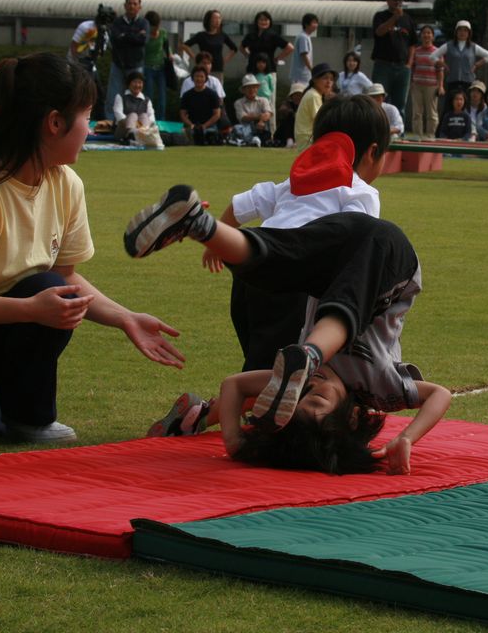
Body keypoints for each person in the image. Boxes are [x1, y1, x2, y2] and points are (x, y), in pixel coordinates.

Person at [0, 52, 184, 453]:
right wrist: (31, 310)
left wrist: (125, 319)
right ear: (54, 122)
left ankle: (26, 414)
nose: (91, 129)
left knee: (51, 285)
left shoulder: (66, 184)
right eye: (86, 117)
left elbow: (66, 277)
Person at [123, 194, 450, 475]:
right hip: (390, 256)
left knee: (274, 261)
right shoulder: (379, 387)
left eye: (299, 393)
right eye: (317, 396)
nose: (311, 385)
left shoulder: (289, 383)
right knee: (345, 308)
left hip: (337, 242)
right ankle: (312, 351)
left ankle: (200, 225)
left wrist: (236, 442)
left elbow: (234, 385)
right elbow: (440, 395)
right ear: (353, 416)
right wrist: (407, 437)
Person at [169, 94, 388, 378]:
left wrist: (218, 244)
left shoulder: (294, 183)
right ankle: (218, 410)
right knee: (279, 370)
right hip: (293, 281)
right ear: (373, 152)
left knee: (260, 355)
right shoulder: (361, 193)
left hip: (251, 271)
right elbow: (361, 251)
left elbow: (241, 205)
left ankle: (202, 226)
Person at [371, 0, 415, 118]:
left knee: (400, 103)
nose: (398, 2)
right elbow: (379, 32)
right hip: (383, 65)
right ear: (387, 0)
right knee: (377, 101)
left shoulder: (408, 19)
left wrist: (409, 64)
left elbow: (412, 43)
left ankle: (398, 133)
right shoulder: (380, 16)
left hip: (402, 67)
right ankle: (377, 129)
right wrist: (394, 18)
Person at [105, 0, 149, 119]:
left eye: (135, 4)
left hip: (136, 66)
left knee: (136, 96)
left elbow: (143, 40)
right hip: (118, 65)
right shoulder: (117, 22)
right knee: (113, 96)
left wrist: (125, 35)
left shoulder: (144, 23)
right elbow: (115, 39)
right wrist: (135, 35)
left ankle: (136, 123)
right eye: (129, 3)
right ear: (125, 6)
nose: (132, 6)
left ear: (139, 7)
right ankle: (110, 123)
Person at [433, 20, 488, 102]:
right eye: (460, 30)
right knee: (450, 104)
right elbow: (433, 56)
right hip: (452, 81)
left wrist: (476, 65)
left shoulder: (473, 46)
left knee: (467, 105)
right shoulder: (449, 45)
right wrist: (443, 64)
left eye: (465, 30)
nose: (462, 32)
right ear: (456, 32)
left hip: (468, 81)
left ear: (469, 33)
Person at [180, 9, 237, 82]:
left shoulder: (222, 35)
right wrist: (195, 58)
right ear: (209, 20)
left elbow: (234, 48)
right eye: (215, 18)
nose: (218, 21)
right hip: (203, 68)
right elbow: (184, 45)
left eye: (219, 18)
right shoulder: (201, 35)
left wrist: (225, 60)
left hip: (217, 67)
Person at [408, 24, 443, 140]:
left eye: (429, 33)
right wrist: (411, 83)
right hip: (417, 85)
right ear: (420, 35)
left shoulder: (438, 52)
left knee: (431, 113)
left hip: (432, 85)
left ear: (433, 36)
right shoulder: (416, 51)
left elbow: (440, 70)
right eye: (424, 33)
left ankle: (430, 135)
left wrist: (441, 86)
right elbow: (412, 68)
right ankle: (418, 135)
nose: (426, 35)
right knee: (417, 112)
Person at [294, 62, 336, 152]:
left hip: (307, 140)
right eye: (325, 78)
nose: (329, 82)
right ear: (315, 80)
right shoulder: (314, 96)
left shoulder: (315, 94)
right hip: (309, 141)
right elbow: (321, 121)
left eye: (331, 79)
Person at [179, 66, 222, 146]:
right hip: (192, 126)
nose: (199, 79)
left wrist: (204, 126)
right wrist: (191, 125)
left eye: (201, 76)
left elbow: (217, 114)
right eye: (196, 76)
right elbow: (182, 114)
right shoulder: (187, 95)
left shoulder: (212, 94)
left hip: (209, 126)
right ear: (192, 78)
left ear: (205, 78)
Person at [111, 70, 156, 145]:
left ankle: (141, 137)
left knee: (144, 116)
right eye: (135, 82)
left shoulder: (147, 100)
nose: (137, 85)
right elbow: (118, 115)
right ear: (129, 84)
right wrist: (134, 126)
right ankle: (131, 136)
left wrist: (141, 128)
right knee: (133, 115)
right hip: (122, 131)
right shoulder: (120, 96)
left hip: (141, 131)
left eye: (140, 83)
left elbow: (152, 117)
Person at [142, 10, 172, 121]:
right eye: (153, 27)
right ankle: (148, 119)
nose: (155, 30)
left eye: (157, 26)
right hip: (147, 67)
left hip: (161, 67)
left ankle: (161, 119)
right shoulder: (144, 35)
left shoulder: (163, 33)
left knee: (162, 96)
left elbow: (166, 46)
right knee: (148, 95)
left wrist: (170, 55)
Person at [232, 74, 273, 146]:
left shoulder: (263, 100)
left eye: (254, 87)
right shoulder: (238, 102)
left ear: (257, 88)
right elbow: (243, 118)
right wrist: (259, 117)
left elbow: (268, 114)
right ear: (244, 90)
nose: (251, 90)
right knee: (239, 128)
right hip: (246, 128)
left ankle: (250, 141)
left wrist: (261, 121)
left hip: (261, 128)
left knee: (265, 125)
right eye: (248, 88)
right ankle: (252, 140)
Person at [275, 82, 305, 148]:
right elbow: (282, 110)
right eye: (296, 94)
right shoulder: (287, 103)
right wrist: (294, 113)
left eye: (300, 95)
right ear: (292, 96)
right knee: (290, 118)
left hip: (301, 131)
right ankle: (289, 140)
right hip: (285, 133)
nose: (298, 97)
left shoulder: (305, 105)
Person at [290, 13, 317, 87]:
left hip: (304, 75)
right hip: (300, 76)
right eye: (313, 22)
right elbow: (304, 55)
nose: (316, 25)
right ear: (306, 24)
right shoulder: (303, 37)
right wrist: (312, 69)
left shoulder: (306, 36)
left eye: (316, 23)